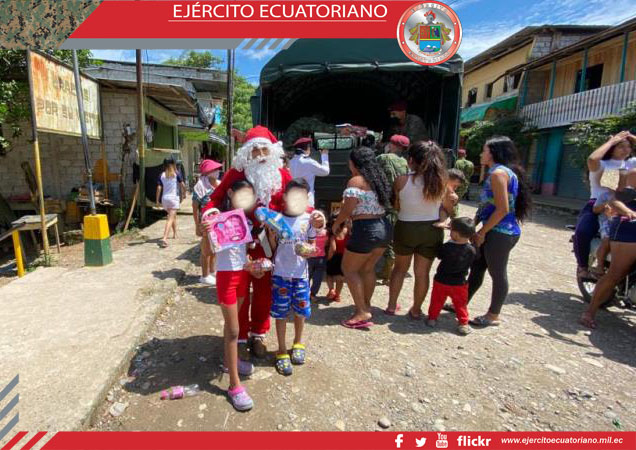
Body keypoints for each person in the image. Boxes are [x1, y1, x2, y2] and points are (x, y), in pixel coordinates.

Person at [202, 126, 292, 360]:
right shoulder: (236, 173)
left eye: (264, 150)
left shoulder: (282, 175)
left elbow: (296, 203)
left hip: (269, 243)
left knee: (264, 291)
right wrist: (210, 214)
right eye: (255, 150)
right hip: (237, 243)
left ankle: (258, 334)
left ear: (272, 151)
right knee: (240, 289)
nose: (260, 155)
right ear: (247, 153)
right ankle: (240, 337)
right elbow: (214, 199)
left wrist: (310, 219)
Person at [467, 136, 532, 327]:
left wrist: (482, 232)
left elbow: (502, 209)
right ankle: (460, 303)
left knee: (497, 273)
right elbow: (488, 205)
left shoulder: (498, 174)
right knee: (477, 267)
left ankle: (493, 315)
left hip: (501, 232)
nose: (481, 154)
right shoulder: (498, 172)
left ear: (493, 153)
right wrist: (474, 224)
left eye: (484, 150)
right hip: (495, 230)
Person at [385, 141, 451, 318]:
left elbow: (396, 206)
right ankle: (416, 309)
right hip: (432, 229)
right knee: (422, 273)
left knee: (399, 269)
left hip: (405, 227)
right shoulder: (442, 182)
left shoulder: (401, 180)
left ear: (411, 160)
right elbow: (447, 208)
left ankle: (391, 305)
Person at [208, 179, 257, 411]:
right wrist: (206, 232)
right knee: (235, 329)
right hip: (226, 278)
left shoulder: (245, 220)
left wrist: (253, 265)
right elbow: (207, 252)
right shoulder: (216, 219)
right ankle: (234, 385)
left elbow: (243, 253)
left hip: (242, 276)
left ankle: (231, 362)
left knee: (232, 325)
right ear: (230, 193)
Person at [332, 147, 393, 329]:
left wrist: (337, 224)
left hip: (365, 229)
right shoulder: (378, 180)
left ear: (353, 163)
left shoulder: (356, 181)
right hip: (384, 227)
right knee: (367, 268)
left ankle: (361, 312)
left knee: (349, 269)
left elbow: (348, 208)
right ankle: (365, 304)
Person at [267, 179, 319, 375]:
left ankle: (298, 342)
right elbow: (273, 249)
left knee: (300, 311)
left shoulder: (309, 220)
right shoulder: (277, 220)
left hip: (301, 275)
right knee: (280, 313)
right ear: (285, 197)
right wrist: (271, 236)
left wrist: (309, 251)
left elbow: (313, 246)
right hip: (280, 274)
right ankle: (281, 350)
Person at [573, 131, 634, 280]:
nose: (625, 150)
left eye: (628, 146)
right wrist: (612, 141)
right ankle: (583, 266)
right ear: (611, 148)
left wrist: (631, 137)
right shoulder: (604, 165)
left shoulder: (631, 163)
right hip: (600, 203)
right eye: (621, 146)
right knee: (583, 231)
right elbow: (592, 159)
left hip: (628, 203)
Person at [581, 168, 636, 329]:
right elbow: (614, 200)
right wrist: (628, 211)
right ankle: (589, 313)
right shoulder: (630, 172)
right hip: (630, 225)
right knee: (616, 273)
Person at [426, 217, 477, 335]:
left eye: (451, 230)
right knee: (460, 304)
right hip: (459, 283)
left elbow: (439, 255)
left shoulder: (447, 247)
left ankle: (432, 318)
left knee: (436, 301)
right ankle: (463, 323)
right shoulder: (471, 250)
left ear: (456, 234)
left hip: (441, 280)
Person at [376, 134, 410, 284]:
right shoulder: (405, 163)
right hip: (398, 203)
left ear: (392, 145)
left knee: (387, 239)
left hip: (384, 204)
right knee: (394, 237)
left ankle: (387, 273)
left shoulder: (383, 158)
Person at [192, 159, 222, 286]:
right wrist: (197, 225)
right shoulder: (200, 187)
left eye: (217, 169)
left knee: (215, 247)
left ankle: (212, 270)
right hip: (205, 221)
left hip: (218, 220)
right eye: (213, 170)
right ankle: (204, 275)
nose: (216, 172)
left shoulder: (220, 184)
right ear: (207, 172)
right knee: (206, 249)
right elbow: (195, 207)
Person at [289, 137, 330, 207]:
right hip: (306, 200)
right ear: (307, 148)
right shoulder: (308, 162)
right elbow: (326, 171)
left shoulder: (290, 162)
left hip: (292, 199)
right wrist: (324, 155)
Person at [156, 158, 186, 248]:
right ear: (173, 165)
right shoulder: (176, 173)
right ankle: (164, 239)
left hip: (165, 199)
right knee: (170, 218)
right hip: (173, 199)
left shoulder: (161, 175)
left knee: (173, 216)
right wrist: (184, 193)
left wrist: (157, 200)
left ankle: (175, 233)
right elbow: (183, 185)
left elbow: (159, 188)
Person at [591, 189, 615, 276]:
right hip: (607, 224)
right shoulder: (605, 195)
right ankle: (600, 266)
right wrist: (607, 204)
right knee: (607, 239)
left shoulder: (630, 196)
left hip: (626, 224)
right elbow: (595, 210)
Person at [326, 214, 350, 302]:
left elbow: (333, 249)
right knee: (340, 278)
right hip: (345, 257)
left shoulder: (333, 232)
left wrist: (328, 258)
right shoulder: (347, 230)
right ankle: (337, 295)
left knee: (329, 275)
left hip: (334, 256)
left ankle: (331, 290)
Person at [307, 210, 329, 301]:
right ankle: (310, 294)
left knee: (314, 278)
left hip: (317, 258)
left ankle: (310, 294)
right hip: (314, 258)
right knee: (313, 278)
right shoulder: (325, 232)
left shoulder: (309, 231)